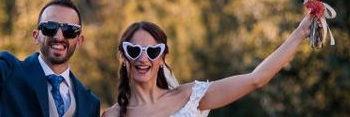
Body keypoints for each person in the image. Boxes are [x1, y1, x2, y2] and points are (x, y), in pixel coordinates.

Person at [102, 15, 312, 117]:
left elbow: (256, 79)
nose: (143, 58)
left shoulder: (190, 96)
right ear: (123, 55)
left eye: (153, 51)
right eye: (134, 50)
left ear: (162, 57)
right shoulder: (111, 116)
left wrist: (300, 32)